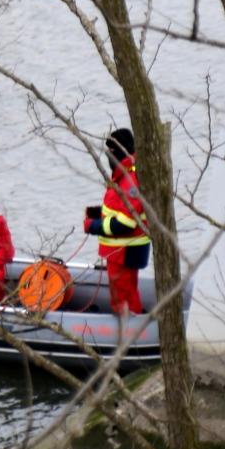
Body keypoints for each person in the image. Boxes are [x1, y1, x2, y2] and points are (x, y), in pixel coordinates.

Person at [84, 128, 150, 316]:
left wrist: (94, 226)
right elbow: (119, 207)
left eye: (110, 152)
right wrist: (98, 214)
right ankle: (132, 319)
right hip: (122, 250)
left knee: (122, 294)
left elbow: (126, 222)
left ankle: (128, 327)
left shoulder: (129, 181)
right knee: (127, 290)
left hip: (125, 250)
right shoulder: (124, 175)